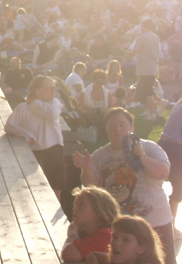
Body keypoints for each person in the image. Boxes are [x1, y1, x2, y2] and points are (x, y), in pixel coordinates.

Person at [73, 108, 175, 264]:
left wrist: (142, 157)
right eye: (112, 126)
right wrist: (87, 168)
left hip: (157, 221)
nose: (117, 130)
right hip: (123, 231)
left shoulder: (149, 147)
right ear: (106, 129)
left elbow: (163, 173)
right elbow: (93, 189)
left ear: (132, 126)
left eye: (122, 124)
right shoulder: (99, 155)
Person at [4, 75, 64, 199]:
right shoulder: (23, 108)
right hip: (32, 151)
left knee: (56, 185)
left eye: (54, 88)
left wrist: (34, 103)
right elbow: (9, 126)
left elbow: (52, 114)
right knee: (33, 187)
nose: (53, 91)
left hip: (54, 149)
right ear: (37, 90)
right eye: (49, 88)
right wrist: (27, 134)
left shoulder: (55, 104)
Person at [61, 186, 121, 262]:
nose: (74, 209)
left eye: (82, 205)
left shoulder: (107, 235)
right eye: (75, 205)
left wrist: (73, 236)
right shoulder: (88, 233)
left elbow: (69, 254)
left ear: (99, 211)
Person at [87, 216, 165, 264]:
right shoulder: (125, 259)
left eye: (126, 240)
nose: (116, 243)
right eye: (115, 237)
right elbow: (94, 256)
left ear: (141, 249)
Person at [157, 99, 182, 241]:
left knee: (154, 183)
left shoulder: (179, 102)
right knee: (179, 187)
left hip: (164, 143)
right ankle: (170, 227)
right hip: (174, 147)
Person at [127, 18, 161, 120]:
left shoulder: (141, 38)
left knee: (147, 92)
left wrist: (121, 48)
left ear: (144, 26)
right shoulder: (155, 37)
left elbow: (133, 52)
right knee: (141, 93)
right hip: (152, 67)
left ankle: (152, 113)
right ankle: (153, 109)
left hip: (145, 68)